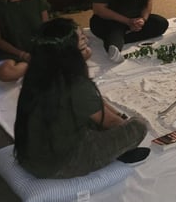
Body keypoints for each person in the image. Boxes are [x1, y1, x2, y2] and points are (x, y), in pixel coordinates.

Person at [13, 18, 148, 179]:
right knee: (138, 125)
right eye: (81, 39)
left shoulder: (40, 72)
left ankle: (115, 145)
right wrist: (125, 129)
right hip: (61, 164)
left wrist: (118, 118)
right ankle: (119, 151)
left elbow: (97, 105)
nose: (87, 39)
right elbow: (111, 122)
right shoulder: (75, 84)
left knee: (97, 117)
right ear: (68, 51)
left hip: (32, 157)